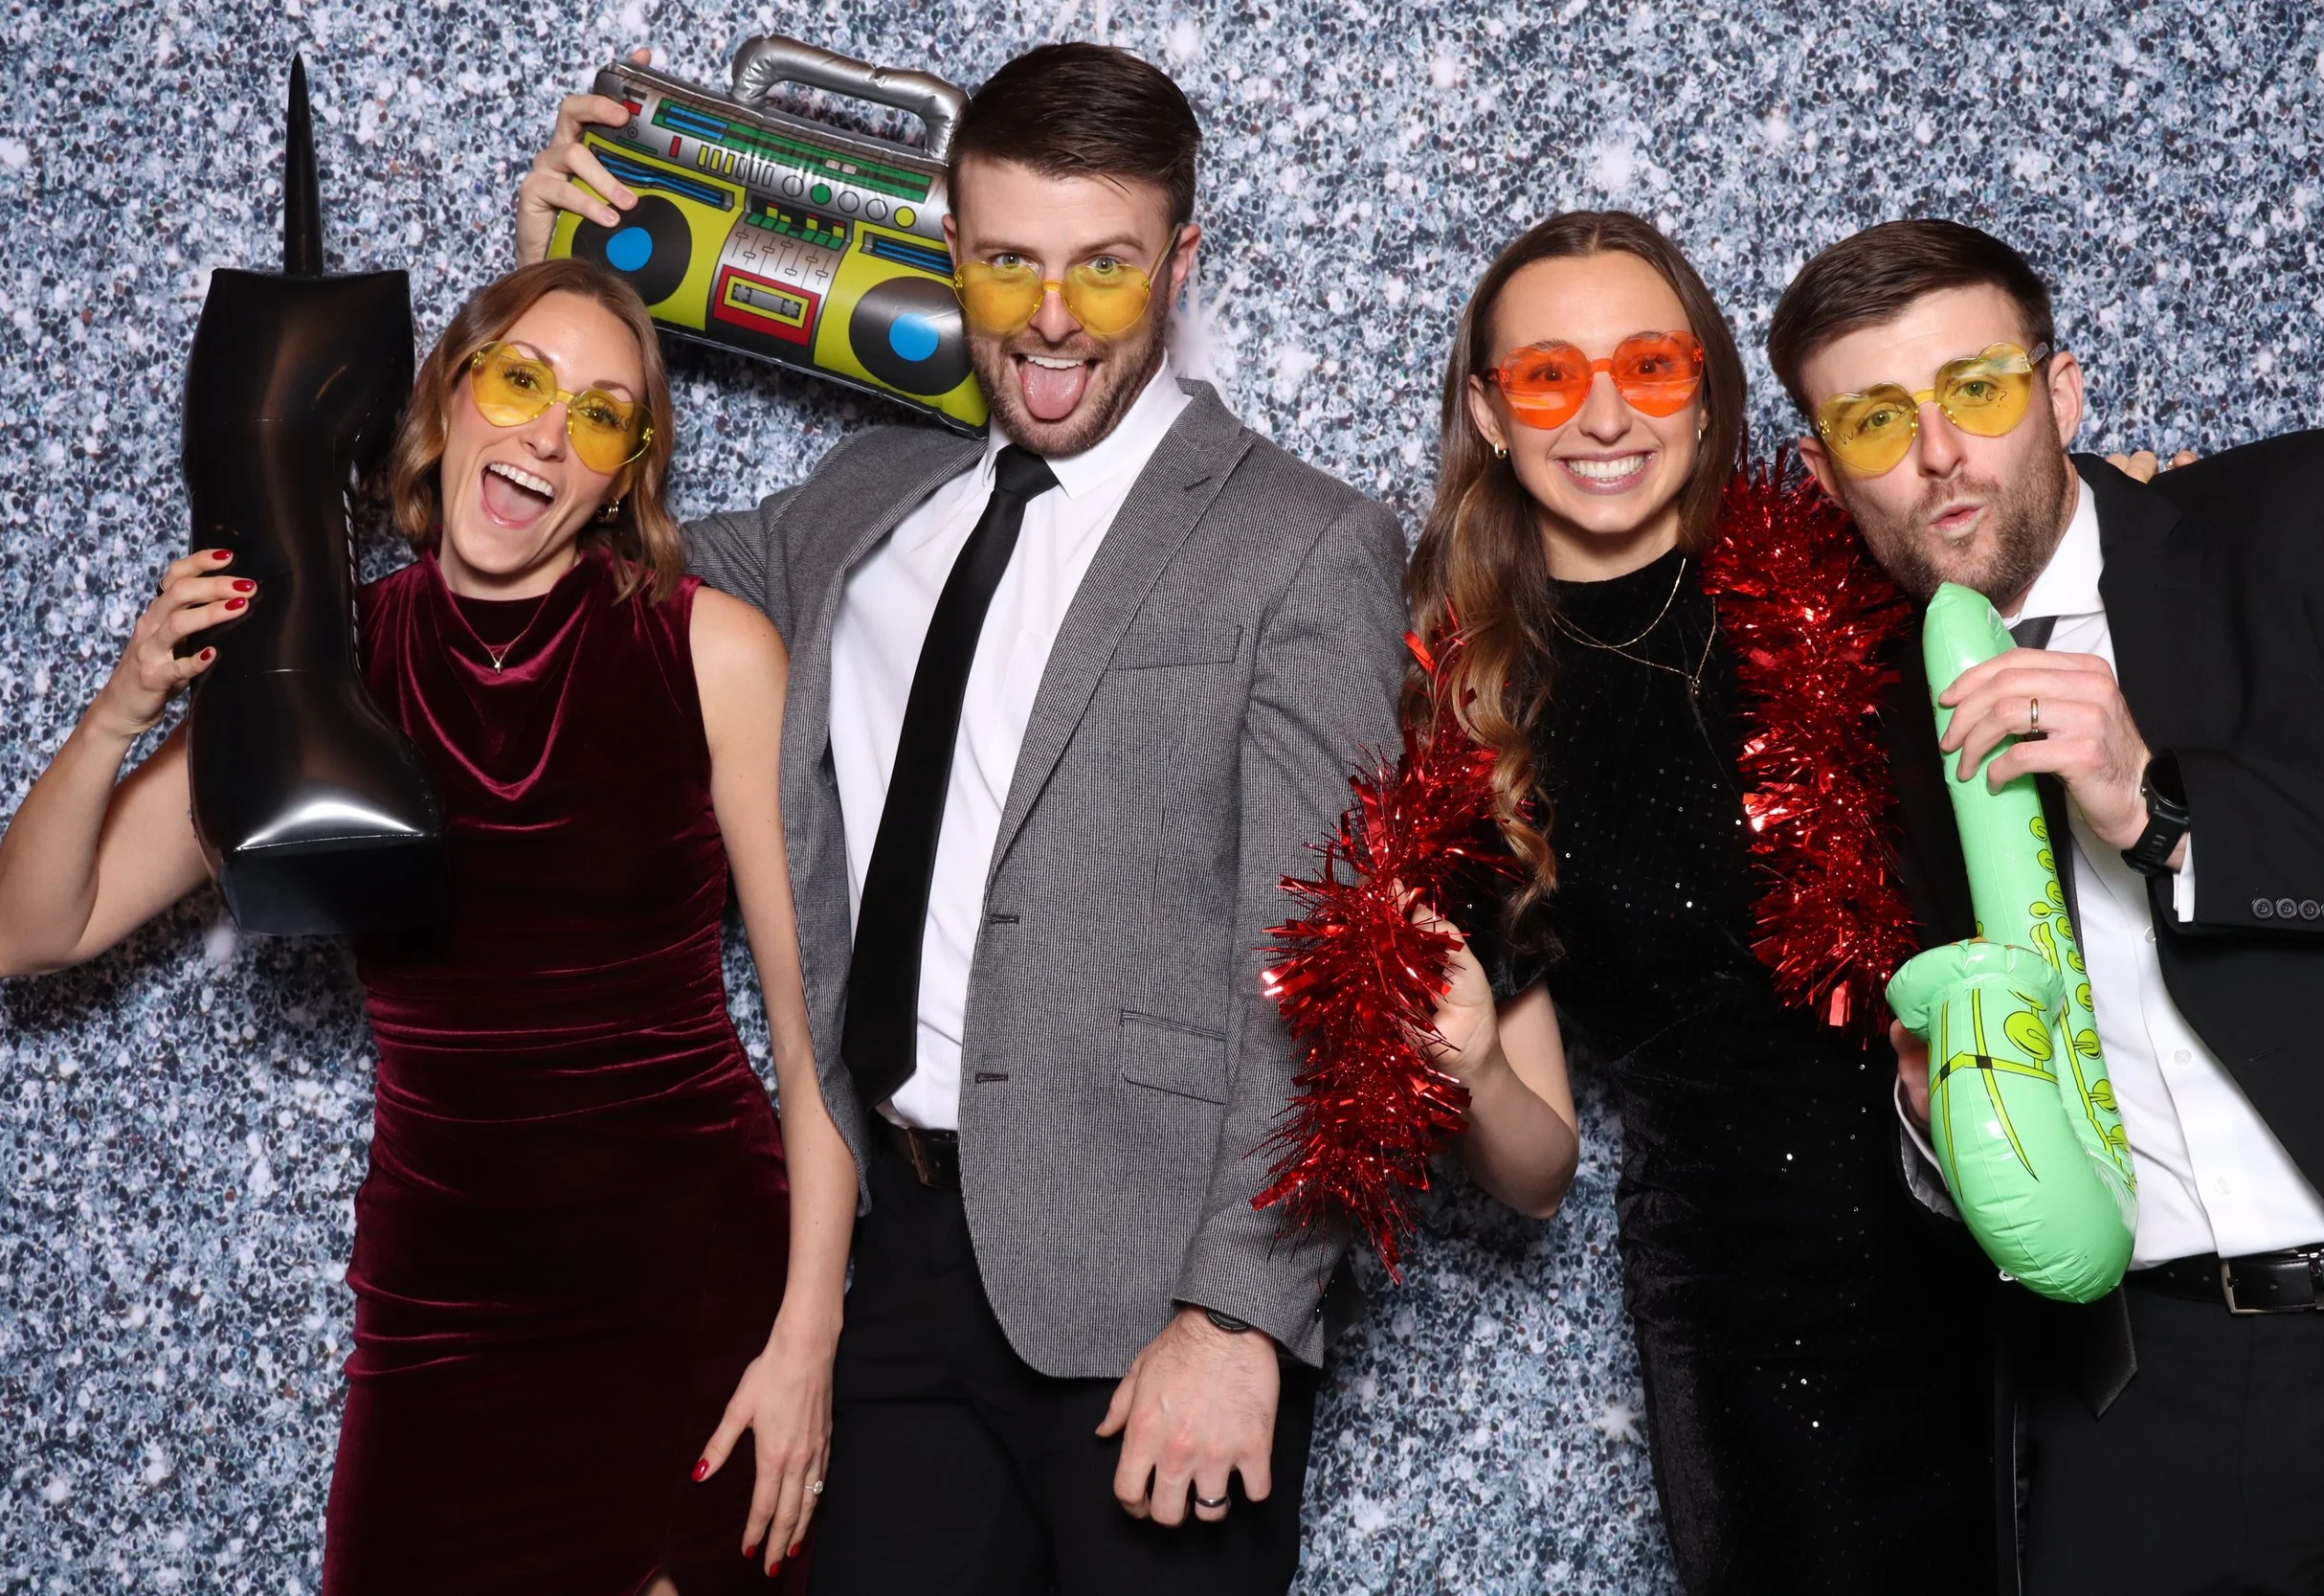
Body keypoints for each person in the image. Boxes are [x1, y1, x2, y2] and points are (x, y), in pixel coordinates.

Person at [518, 41, 1402, 1596]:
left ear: (1180, 263)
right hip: (897, 1272)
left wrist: (1240, 1314)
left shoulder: (1302, 541)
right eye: (1009, 263)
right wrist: (553, 289)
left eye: (1104, 268)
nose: (1051, 316)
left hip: (1152, 1301)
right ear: (953, 254)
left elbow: (1329, 968)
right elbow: (559, 581)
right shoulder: (859, 506)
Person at [0, 259, 850, 1594]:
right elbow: (34, 931)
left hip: (691, 1287)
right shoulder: (323, 674)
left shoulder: (712, 650)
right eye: (518, 382)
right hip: (443, 1303)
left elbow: (813, 1044)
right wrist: (123, 709)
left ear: (623, 475)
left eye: (600, 416)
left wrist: (806, 1339)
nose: (546, 435)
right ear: (448, 395)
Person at [1767, 217, 2324, 1596]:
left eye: (1977, 391)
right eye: (1876, 422)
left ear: (2061, 393)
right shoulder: (1860, 723)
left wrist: (2165, 808)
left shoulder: (2319, 517)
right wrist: (1940, 1118)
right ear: (1824, 473)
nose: (1939, 454)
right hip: (2131, 1399)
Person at [1407, 211, 2001, 1594]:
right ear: (1489, 414)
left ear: (1706, 385)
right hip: (1758, 1321)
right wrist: (1473, 1065)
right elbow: (1538, 1167)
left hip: (2018, 1220)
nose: (1605, 414)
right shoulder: (1480, 712)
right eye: (1548, 377)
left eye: (1648, 366)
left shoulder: (1857, 572)